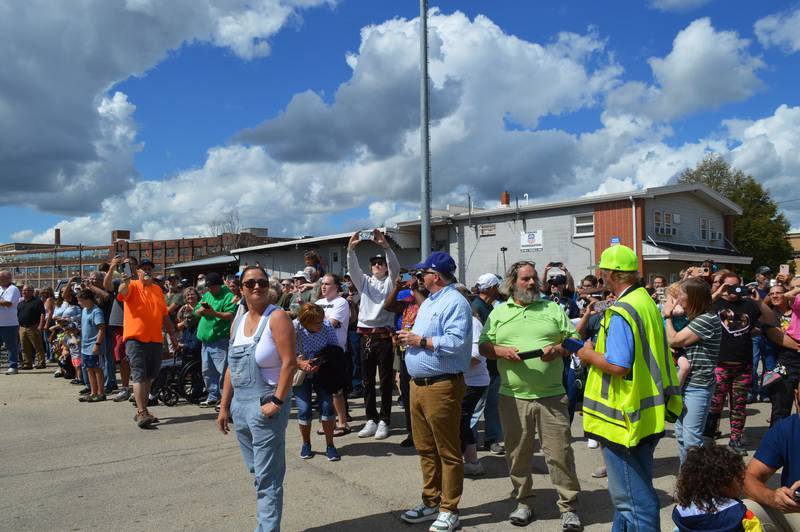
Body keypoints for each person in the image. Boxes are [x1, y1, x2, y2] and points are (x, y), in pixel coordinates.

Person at [577, 245, 683, 532]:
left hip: (624, 419)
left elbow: (619, 365)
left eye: (602, 273)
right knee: (631, 493)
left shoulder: (623, 310)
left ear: (611, 274)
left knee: (632, 500)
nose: (601, 278)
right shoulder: (644, 301)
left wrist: (587, 355)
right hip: (644, 413)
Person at [479, 261, 583, 531]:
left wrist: (558, 349)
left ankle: (568, 506)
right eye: (526, 278)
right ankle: (524, 501)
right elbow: (484, 345)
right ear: (512, 283)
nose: (532, 283)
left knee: (559, 453)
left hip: (551, 395)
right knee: (517, 453)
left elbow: (574, 341)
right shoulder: (499, 312)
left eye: (534, 278)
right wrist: (501, 352)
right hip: (512, 395)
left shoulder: (551, 308)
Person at [217, 266, 296, 532]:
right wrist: (224, 406)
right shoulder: (238, 322)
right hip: (241, 406)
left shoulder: (277, 318)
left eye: (262, 282)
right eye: (250, 283)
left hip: (266, 405)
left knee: (268, 477)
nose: (257, 287)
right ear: (241, 289)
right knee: (258, 472)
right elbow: (230, 367)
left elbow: (289, 364)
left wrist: (277, 401)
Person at [398, 252, 472, 532]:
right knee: (426, 449)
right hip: (419, 385)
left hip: (442, 385)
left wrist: (420, 339)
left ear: (436, 275)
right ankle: (431, 502)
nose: (419, 278)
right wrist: (410, 340)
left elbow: (455, 342)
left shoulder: (455, 302)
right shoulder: (430, 301)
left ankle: (449, 509)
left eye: (422, 273)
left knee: (448, 451)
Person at [704, 272, 783, 456]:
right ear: (722, 286)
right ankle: (708, 435)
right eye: (729, 286)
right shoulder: (715, 303)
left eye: (736, 286)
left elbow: (771, 320)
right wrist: (718, 292)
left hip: (743, 365)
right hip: (720, 364)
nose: (733, 290)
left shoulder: (748, 305)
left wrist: (759, 302)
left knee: (738, 405)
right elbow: (699, 308)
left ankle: (736, 438)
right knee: (715, 403)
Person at [347, 229, 400, 440]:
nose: (377, 266)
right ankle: (371, 418)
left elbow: (395, 267)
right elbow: (353, 270)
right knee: (367, 380)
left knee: (386, 381)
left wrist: (385, 246)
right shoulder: (365, 282)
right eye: (374, 264)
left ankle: (385, 420)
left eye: (381, 263)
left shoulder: (389, 283)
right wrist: (350, 249)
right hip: (365, 337)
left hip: (384, 337)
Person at [662, 278, 722, 466]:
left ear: (694, 298)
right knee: (681, 436)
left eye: (682, 295)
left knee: (691, 441)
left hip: (698, 385)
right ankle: (686, 485)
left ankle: (696, 488)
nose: (678, 298)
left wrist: (668, 317)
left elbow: (674, 340)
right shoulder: (693, 317)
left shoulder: (707, 319)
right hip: (685, 384)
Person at [118, 258, 179, 428]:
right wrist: (124, 281)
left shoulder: (158, 290)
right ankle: (141, 411)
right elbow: (122, 292)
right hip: (135, 338)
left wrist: (173, 336)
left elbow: (164, 315)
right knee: (139, 374)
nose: (147, 271)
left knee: (149, 376)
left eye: (149, 268)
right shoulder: (132, 285)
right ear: (137, 271)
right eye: (143, 268)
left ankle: (143, 409)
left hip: (155, 339)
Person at [742, 385, 800, 531]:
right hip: (795, 512)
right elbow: (749, 477)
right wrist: (772, 497)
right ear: (796, 398)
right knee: (746, 510)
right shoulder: (786, 429)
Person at [293, 303, 343, 461]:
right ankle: (306, 444)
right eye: (317, 323)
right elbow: (283, 352)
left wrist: (320, 361)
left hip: (323, 372)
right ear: (305, 323)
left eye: (321, 320)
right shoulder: (294, 328)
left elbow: (336, 349)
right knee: (304, 409)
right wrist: (302, 364)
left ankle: (330, 445)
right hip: (300, 373)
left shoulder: (327, 326)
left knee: (327, 407)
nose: (321, 324)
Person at [673, 445, 761, 531]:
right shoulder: (742, 515)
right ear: (724, 485)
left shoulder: (682, 513)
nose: (742, 483)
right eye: (739, 479)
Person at [470, 273, 504, 455]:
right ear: (491, 288)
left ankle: (491, 439)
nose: (500, 290)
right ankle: (471, 441)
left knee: (492, 405)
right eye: (497, 286)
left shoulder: (488, 307)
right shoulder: (477, 308)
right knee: (477, 407)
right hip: (483, 367)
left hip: (492, 366)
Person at [315, 273, 352, 436]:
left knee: (337, 390)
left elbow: (332, 323)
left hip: (335, 350)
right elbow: (307, 322)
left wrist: (315, 323)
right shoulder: (318, 303)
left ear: (336, 287)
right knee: (323, 390)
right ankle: (329, 422)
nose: (323, 286)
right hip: (317, 349)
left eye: (328, 284)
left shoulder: (341, 302)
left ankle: (343, 423)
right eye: (322, 283)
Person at [195, 272, 237, 408]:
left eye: (212, 287)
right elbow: (196, 311)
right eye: (208, 287)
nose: (210, 289)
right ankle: (213, 396)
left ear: (218, 285)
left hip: (220, 340)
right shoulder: (207, 294)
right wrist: (201, 310)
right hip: (206, 341)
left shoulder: (228, 296)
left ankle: (225, 399)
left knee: (223, 372)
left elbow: (230, 315)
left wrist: (214, 313)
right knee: (207, 371)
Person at [763, 283, 800, 424]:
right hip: (783, 363)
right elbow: (776, 336)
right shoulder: (770, 315)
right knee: (781, 406)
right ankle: (776, 439)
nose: (775, 296)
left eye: (779, 293)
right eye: (771, 293)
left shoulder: (797, 310)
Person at [77, 289, 107, 402]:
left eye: (81, 301)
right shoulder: (84, 310)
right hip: (85, 346)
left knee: (97, 369)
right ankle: (93, 392)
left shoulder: (96, 311)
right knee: (89, 369)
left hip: (94, 345)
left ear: (88, 300)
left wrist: (97, 344)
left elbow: (102, 329)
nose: (79, 303)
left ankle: (101, 393)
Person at [17, 284, 47, 370]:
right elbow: (18, 315)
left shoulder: (37, 301)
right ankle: (27, 363)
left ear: (31, 292)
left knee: (37, 346)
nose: (23, 292)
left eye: (26, 290)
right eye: (23, 290)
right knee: (24, 347)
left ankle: (41, 362)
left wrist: (41, 325)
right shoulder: (20, 303)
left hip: (33, 327)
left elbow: (42, 313)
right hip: (22, 327)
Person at [0, 270, 21, 375]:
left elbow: (8, 303)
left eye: (1, 277)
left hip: (9, 323)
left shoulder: (13, 289)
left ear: (8, 278)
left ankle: (13, 366)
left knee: (11, 346)